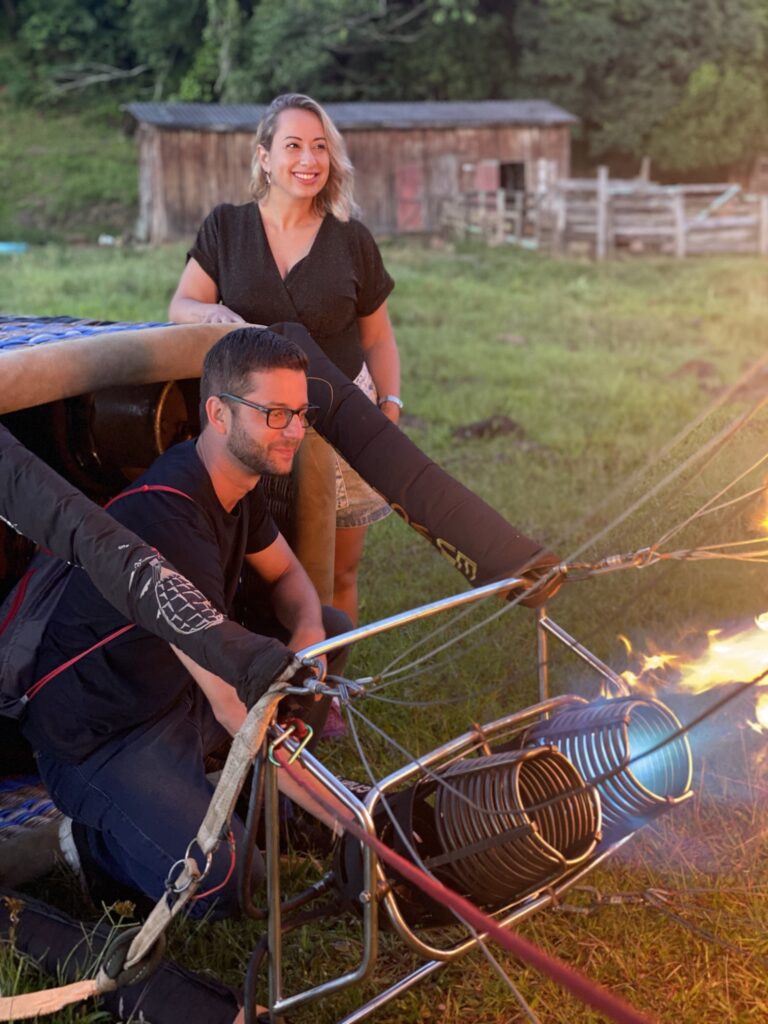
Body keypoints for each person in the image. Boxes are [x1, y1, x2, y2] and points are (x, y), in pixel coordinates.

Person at [22, 327, 351, 922]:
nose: (296, 432)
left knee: (327, 627)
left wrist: (308, 642)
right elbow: (232, 704)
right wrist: (355, 825)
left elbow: (292, 583)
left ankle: (257, 800)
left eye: (301, 413)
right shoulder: (169, 514)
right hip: (103, 735)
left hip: (175, 697)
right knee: (228, 884)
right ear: (219, 414)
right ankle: (94, 845)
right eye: (276, 414)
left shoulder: (234, 482)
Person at [169, 92, 401, 625]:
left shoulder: (352, 240)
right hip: (253, 423)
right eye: (293, 145)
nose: (309, 159)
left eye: (320, 147)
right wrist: (212, 316)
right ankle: (270, 672)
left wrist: (388, 407)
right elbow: (182, 304)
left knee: (340, 570)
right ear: (264, 157)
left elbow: (380, 337)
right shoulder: (227, 228)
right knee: (259, 565)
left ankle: (333, 690)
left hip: (342, 419)